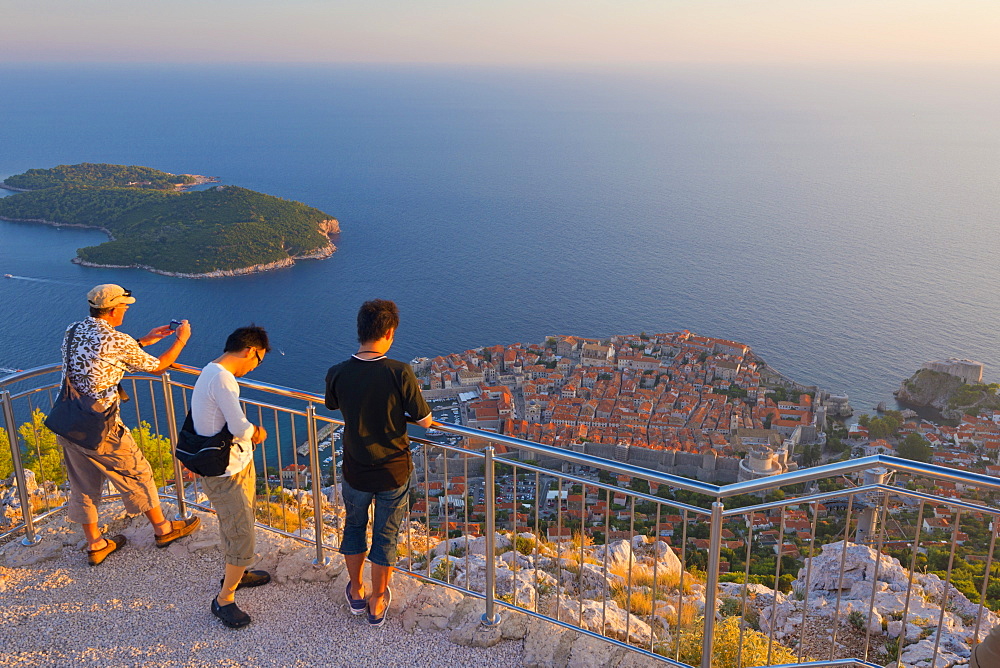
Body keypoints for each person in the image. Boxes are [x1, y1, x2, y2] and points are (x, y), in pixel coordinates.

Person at [59, 284, 200, 565]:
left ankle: (95, 543)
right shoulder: (117, 340)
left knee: (83, 484)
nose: (126, 310)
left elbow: (102, 354)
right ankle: (163, 529)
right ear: (113, 309)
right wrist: (181, 340)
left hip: (68, 418)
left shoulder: (73, 329)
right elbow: (158, 366)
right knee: (137, 471)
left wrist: (145, 340)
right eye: (125, 306)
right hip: (101, 425)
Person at [324, 299, 432, 626]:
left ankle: (356, 590)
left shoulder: (337, 372)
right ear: (389, 332)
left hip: (356, 469)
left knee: (354, 526)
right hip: (392, 471)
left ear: (360, 332)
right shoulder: (399, 372)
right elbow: (424, 420)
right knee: (386, 535)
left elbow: (332, 406)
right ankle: (376, 602)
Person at [190, 325, 272, 629]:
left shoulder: (211, 371)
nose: (254, 367)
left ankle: (239, 571)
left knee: (237, 525)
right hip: (226, 473)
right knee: (242, 534)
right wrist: (258, 433)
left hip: (234, 466)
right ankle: (224, 599)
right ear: (250, 350)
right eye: (258, 360)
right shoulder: (223, 380)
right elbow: (240, 428)